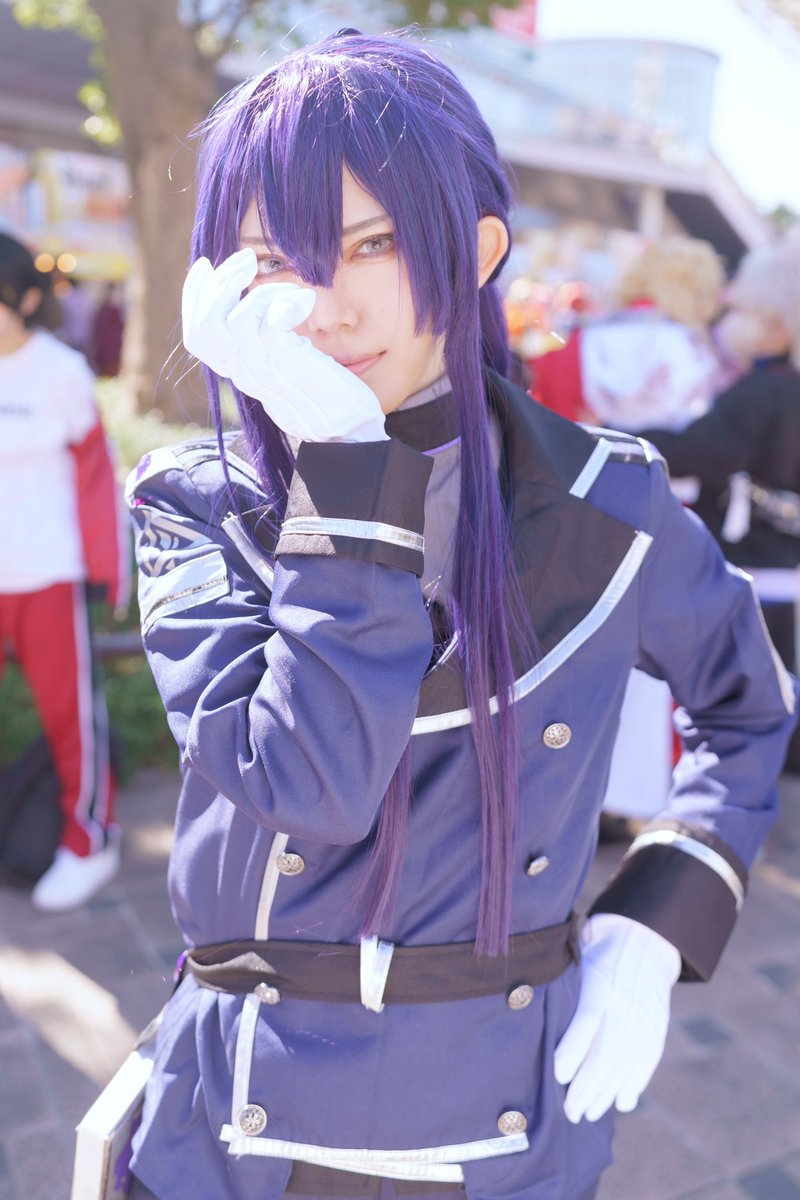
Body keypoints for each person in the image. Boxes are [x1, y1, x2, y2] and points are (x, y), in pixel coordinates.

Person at [124, 30, 797, 1200]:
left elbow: (746, 711)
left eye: (374, 242)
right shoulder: (195, 504)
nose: (327, 306)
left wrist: (655, 922)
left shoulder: (606, 500)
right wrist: (345, 465)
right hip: (235, 1122)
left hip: (500, 1118)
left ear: (477, 250)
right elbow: (312, 784)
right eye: (274, 258)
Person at [0, 232, 129, 911]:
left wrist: (111, 572)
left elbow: (98, 480)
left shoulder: (61, 373)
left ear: (24, 299)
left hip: (48, 574)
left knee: (71, 719)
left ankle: (90, 841)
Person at [641, 229, 800, 772]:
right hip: (783, 562)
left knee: (748, 697)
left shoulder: (764, 393)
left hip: (748, 565)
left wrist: (609, 432)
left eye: (752, 313)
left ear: (777, 322)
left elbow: (696, 452)